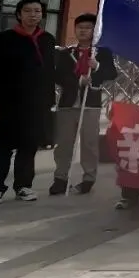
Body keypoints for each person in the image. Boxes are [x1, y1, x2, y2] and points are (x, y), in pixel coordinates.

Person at [0, 0, 57, 205]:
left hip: (35, 103)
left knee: (28, 147)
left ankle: (23, 186)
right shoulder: (4, 39)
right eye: (28, 11)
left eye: (37, 11)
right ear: (19, 14)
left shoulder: (47, 39)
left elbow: (49, 72)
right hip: (7, 102)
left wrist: (49, 100)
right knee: (2, 147)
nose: (33, 15)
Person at [50, 12, 117, 196]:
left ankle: (88, 178)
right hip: (67, 104)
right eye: (80, 27)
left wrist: (97, 67)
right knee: (64, 143)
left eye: (88, 28)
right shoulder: (66, 53)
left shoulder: (102, 53)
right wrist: (78, 81)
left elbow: (111, 74)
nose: (83, 31)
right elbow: (58, 76)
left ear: (95, 31)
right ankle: (60, 178)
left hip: (91, 104)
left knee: (89, 143)